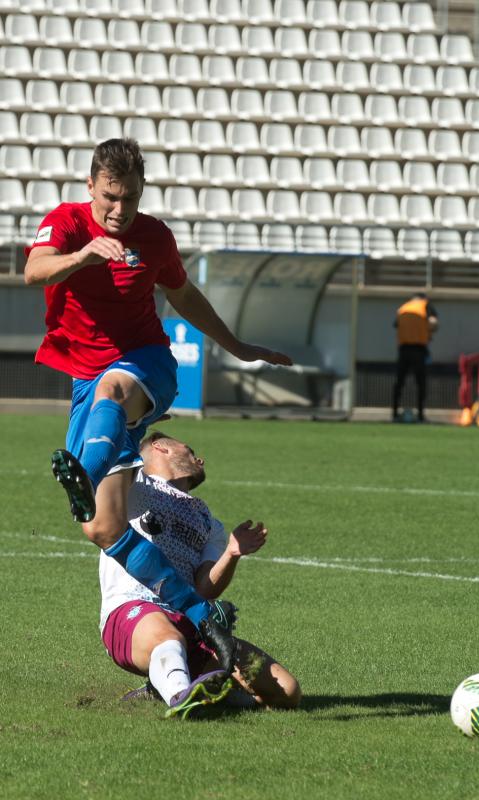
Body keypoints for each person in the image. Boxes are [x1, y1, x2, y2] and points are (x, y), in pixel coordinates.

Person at [23, 137, 292, 673]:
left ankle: (85, 468)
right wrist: (83, 255)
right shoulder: (69, 223)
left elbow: (184, 296)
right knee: (101, 528)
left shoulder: (154, 237)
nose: (120, 210)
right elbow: (35, 271)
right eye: (110, 197)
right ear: (90, 188)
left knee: (113, 390)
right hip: (87, 383)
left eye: (131, 197)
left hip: (145, 366)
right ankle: (200, 614)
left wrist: (236, 346)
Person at [100, 431, 301, 718]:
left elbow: (205, 588)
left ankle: (165, 687)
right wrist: (142, 416)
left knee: (287, 692)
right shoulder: (134, 483)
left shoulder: (207, 520)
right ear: (160, 447)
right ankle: (180, 698)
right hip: (132, 608)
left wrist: (232, 553)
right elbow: (113, 446)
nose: (201, 457)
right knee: (166, 637)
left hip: (193, 620)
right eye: (190, 449)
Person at [391, 292, 438, 423]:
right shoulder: (425, 305)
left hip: (403, 349)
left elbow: (396, 325)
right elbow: (433, 322)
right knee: (421, 383)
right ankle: (421, 415)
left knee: (399, 382)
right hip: (418, 349)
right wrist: (428, 332)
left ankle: (394, 413)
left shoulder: (403, 308)